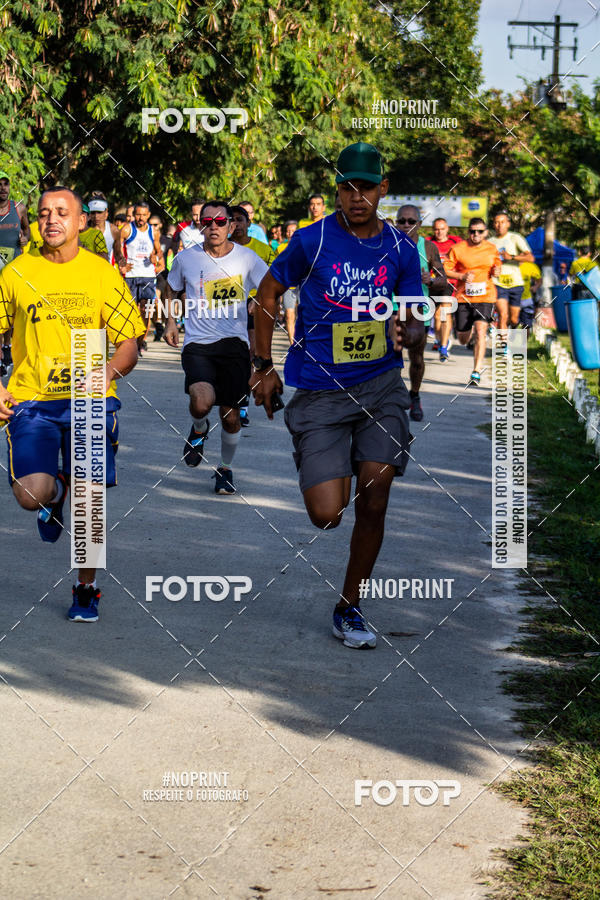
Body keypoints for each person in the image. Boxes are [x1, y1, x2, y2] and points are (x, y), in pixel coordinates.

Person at [251, 141, 424, 650]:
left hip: (380, 388)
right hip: (320, 392)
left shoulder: (401, 248)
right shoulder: (313, 240)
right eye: (346, 187)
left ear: (382, 190)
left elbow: (415, 316)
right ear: (337, 191)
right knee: (328, 514)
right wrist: (262, 366)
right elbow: (266, 293)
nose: (356, 196)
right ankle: (317, 452)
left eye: (365, 187)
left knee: (375, 498)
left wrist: (410, 331)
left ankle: (350, 606)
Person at [0, 186, 144, 621]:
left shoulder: (101, 273)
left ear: (82, 221)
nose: (51, 220)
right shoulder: (15, 273)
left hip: (90, 401)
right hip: (33, 402)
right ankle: (54, 492)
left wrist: (106, 374)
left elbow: (129, 343)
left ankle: (87, 588)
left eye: (63, 212)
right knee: (30, 495)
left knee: (90, 500)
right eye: (43, 213)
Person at [164, 201, 268, 494]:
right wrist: (171, 321)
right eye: (207, 221)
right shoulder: (187, 258)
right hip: (198, 343)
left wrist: (257, 301)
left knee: (231, 417)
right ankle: (198, 429)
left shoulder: (247, 258)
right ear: (201, 225)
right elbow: (172, 285)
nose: (213, 226)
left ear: (231, 226)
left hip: (235, 345)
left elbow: (270, 288)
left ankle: (225, 469)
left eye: (220, 221)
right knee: (201, 401)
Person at [395, 204, 449, 421]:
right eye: (402, 221)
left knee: (416, 358)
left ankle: (414, 395)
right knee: (392, 356)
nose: (406, 225)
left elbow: (444, 280)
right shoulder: (387, 244)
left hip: (419, 309)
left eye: (411, 221)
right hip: (390, 307)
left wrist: (432, 280)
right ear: (396, 222)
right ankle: (394, 398)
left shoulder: (427, 248)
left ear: (419, 223)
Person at [229, 205, 275, 425]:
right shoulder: (222, 249)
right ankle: (231, 398)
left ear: (249, 224)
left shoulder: (262, 249)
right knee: (232, 354)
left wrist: (259, 300)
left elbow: (272, 278)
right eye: (233, 220)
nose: (237, 225)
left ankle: (243, 404)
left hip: (253, 302)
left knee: (251, 352)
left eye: (240, 220)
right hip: (228, 304)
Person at [444, 217, 502, 383]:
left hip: (486, 296)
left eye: (480, 231)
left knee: (481, 331)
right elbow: (446, 269)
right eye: (472, 231)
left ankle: (476, 371)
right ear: (468, 232)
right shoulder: (458, 248)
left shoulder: (491, 249)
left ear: (485, 232)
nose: (476, 234)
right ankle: (463, 333)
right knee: (463, 338)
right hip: (464, 298)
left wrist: (497, 271)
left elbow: (497, 265)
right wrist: (461, 275)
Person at [115, 200, 164, 354]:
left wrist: (155, 257)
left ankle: (140, 341)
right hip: (131, 276)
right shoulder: (127, 229)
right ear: (134, 215)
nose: (141, 218)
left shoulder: (153, 232)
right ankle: (130, 342)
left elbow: (159, 251)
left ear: (148, 215)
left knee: (146, 311)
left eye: (144, 215)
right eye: (138, 215)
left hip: (148, 276)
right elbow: (117, 245)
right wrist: (121, 261)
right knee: (129, 311)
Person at [0, 172, 30, 376]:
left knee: (11, 310)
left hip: (13, 267)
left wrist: (24, 239)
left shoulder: (18, 208)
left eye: (6, 183)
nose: (2, 188)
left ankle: (8, 346)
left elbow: (27, 231)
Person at [489, 211, 535, 329]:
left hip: (515, 283)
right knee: (502, 315)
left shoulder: (515, 238)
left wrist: (512, 257)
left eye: (502, 222)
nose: (499, 225)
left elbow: (530, 257)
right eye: (497, 222)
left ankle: (511, 335)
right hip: (497, 283)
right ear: (493, 225)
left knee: (514, 319)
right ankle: (501, 347)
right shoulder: (490, 242)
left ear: (508, 224)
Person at [427, 217, 462, 355]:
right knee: (436, 316)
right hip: (433, 282)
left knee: (445, 312)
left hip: (449, 282)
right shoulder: (428, 242)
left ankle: (443, 346)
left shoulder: (456, 242)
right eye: (436, 229)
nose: (439, 232)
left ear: (447, 229)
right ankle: (440, 339)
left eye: (442, 229)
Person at [275, 221, 301, 344]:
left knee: (304, 315)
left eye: (293, 231)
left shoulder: (305, 246)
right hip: (288, 286)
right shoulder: (280, 248)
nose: (291, 234)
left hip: (303, 286)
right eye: (288, 231)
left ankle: (305, 342)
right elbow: (276, 268)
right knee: (289, 315)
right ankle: (293, 344)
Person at [88, 192, 122, 266]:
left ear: (106, 212)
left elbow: (118, 254)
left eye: (99, 212)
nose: (96, 216)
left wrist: (122, 264)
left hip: (104, 273)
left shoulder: (114, 231)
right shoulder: (81, 230)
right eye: (93, 212)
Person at [519, 259, 542, 329]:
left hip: (527, 299)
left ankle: (524, 340)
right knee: (513, 322)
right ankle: (510, 338)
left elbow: (539, 280)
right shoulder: (509, 265)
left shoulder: (531, 266)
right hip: (513, 299)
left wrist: (535, 287)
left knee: (526, 325)